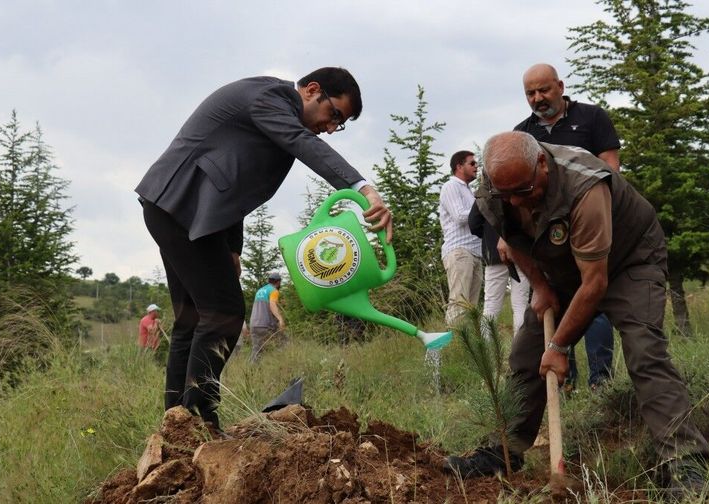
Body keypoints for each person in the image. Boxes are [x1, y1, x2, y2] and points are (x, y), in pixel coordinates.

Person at [445, 132, 709, 497]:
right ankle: (505, 451)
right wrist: (540, 286)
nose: (518, 201)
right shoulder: (495, 189)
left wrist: (559, 345)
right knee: (525, 354)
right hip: (565, 265)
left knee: (644, 350)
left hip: (629, 259)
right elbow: (513, 239)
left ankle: (685, 463)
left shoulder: (584, 185)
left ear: (541, 164)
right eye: (509, 195)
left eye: (524, 190)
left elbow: (595, 283)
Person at [135, 67, 393, 430]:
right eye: (334, 114)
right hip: (181, 207)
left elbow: (232, 179)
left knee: (192, 320)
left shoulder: (271, 106)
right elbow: (307, 148)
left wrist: (232, 248)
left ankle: (176, 425)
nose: (332, 128)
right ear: (312, 90)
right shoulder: (271, 100)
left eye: (342, 124)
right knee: (223, 315)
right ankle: (199, 422)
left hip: (179, 208)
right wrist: (364, 189)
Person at [514, 63, 621, 391]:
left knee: (594, 301)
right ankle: (566, 382)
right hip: (546, 237)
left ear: (560, 86)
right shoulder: (522, 134)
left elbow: (612, 168)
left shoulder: (591, 118)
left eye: (544, 90)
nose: (537, 98)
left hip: (590, 225)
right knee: (556, 303)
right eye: (530, 93)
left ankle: (601, 382)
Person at [469, 203, 529, 338]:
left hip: (494, 252)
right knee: (520, 304)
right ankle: (519, 351)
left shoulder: (486, 190)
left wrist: (488, 235)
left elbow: (473, 223)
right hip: (520, 249)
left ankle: (487, 352)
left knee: (491, 306)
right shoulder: (518, 185)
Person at [439, 150, 483, 326]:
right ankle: (451, 349)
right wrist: (483, 209)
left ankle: (467, 351)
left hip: (474, 253)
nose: (476, 167)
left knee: (471, 310)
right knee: (459, 304)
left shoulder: (469, 191)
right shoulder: (451, 186)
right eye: (472, 163)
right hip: (459, 252)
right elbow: (459, 216)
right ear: (459, 166)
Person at [249, 272, 286, 363]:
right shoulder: (274, 290)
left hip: (254, 325)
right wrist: (280, 319)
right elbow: (272, 305)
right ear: (278, 282)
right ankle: (281, 365)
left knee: (256, 351)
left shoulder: (260, 290)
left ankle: (251, 372)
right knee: (284, 342)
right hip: (266, 325)